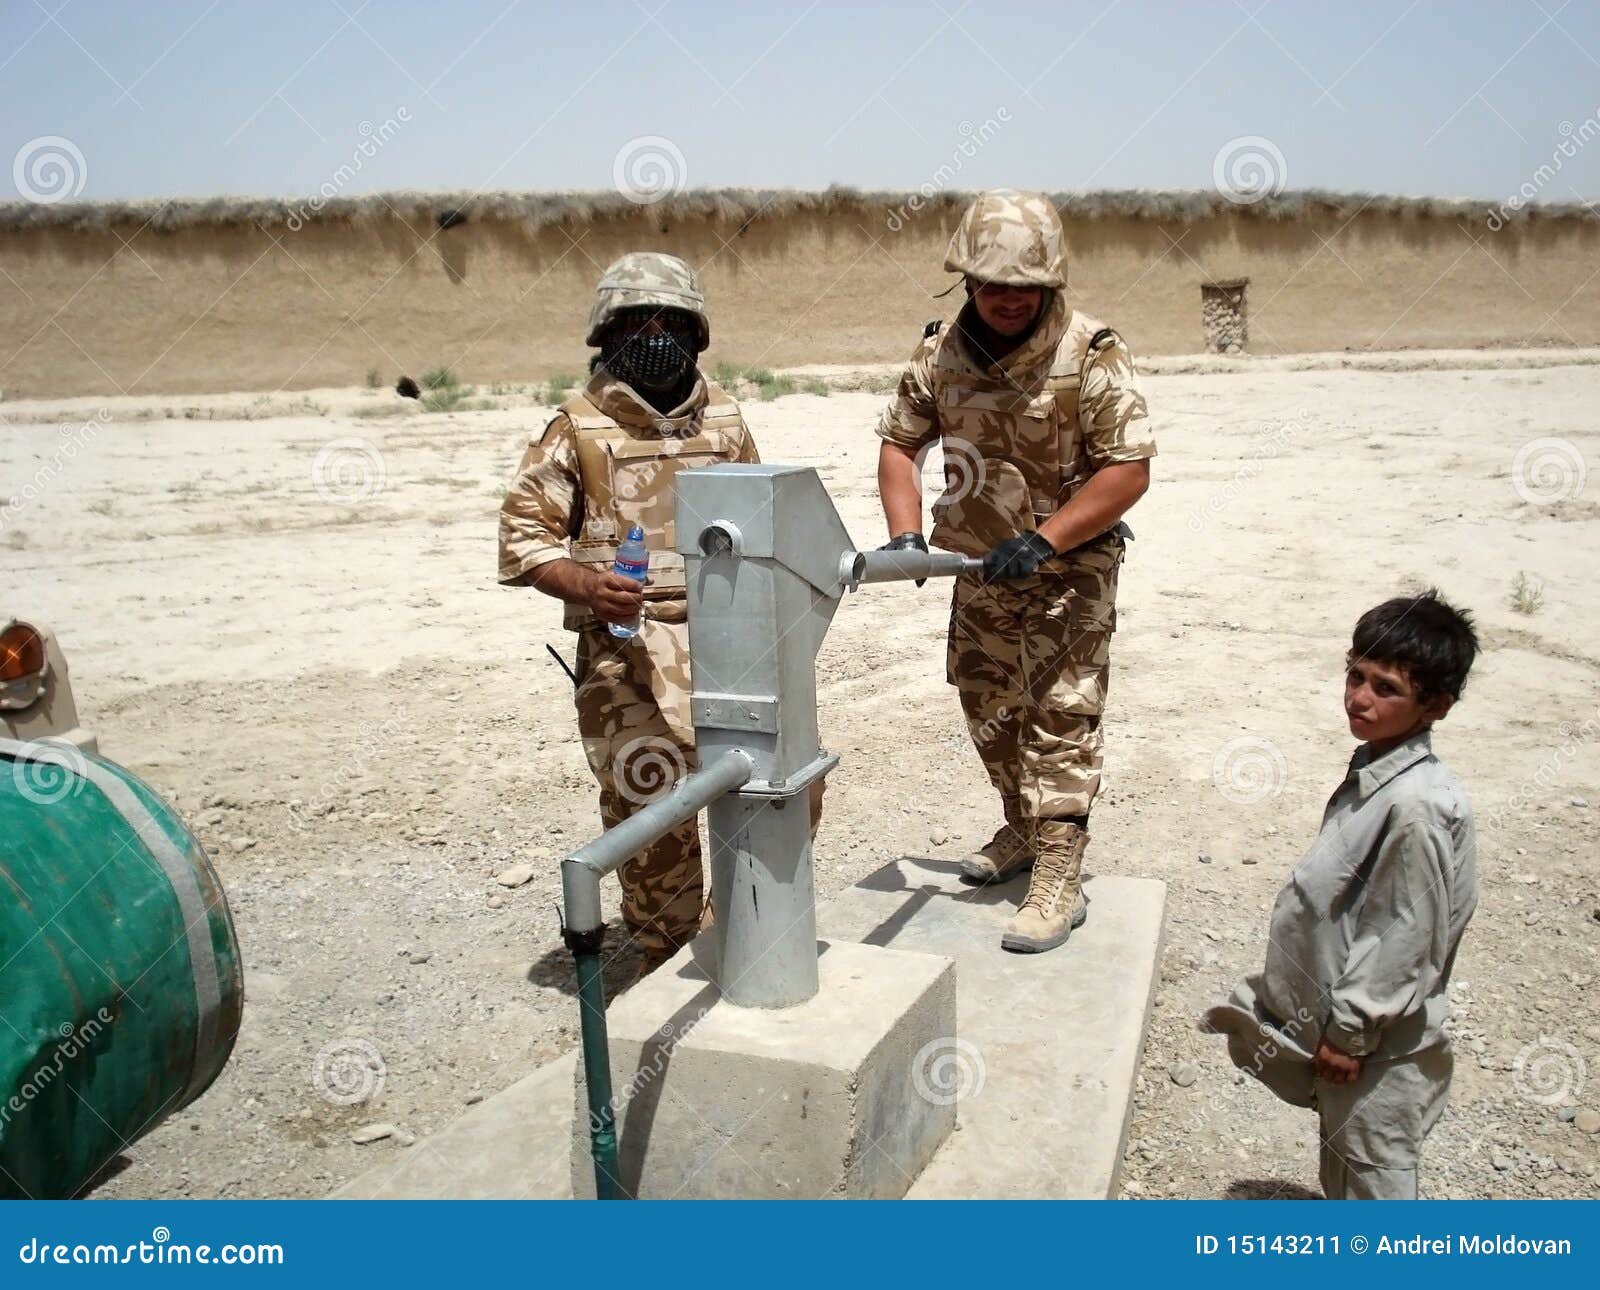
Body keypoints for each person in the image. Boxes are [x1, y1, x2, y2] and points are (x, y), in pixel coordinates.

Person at [498, 251, 820, 977]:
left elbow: (770, 517)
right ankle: (664, 948)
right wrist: (586, 584)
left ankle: (740, 929)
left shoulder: (729, 421)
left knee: (770, 785)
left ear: (696, 331)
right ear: (607, 333)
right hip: (626, 656)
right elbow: (523, 541)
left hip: (733, 641)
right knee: (649, 802)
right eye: (636, 321)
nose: (654, 335)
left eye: (670, 321)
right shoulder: (576, 429)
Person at [874, 189, 1155, 953]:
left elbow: (1128, 470)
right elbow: (901, 445)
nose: (1007, 300)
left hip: (1071, 577)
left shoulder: (1089, 353)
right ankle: (1022, 828)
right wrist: (905, 536)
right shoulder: (939, 354)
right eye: (993, 284)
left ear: (1050, 284)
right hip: (979, 571)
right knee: (988, 705)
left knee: (1062, 714)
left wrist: (1048, 539)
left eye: (1024, 287)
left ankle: (1061, 868)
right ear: (966, 280)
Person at [1204, 590, 1480, 1200]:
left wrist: (1350, 1034)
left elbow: (1402, 935)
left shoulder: (1416, 807)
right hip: (1352, 1035)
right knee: (1344, 1165)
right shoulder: (1379, 770)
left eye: (1386, 688)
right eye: (1355, 675)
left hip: (1380, 1050)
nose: (1359, 697)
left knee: (1374, 1187)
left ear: (1437, 706)